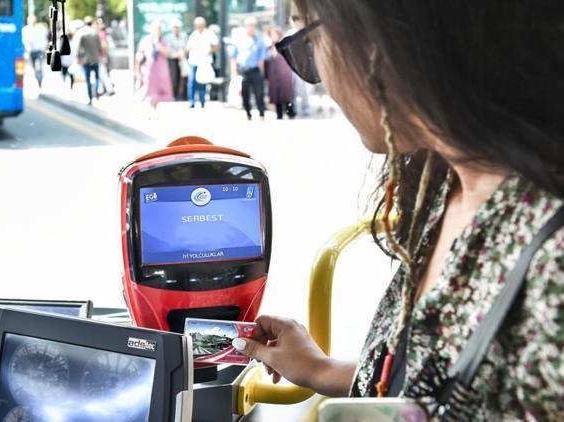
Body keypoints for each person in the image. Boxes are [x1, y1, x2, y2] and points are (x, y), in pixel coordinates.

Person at [231, 0, 564, 419]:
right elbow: (445, 388)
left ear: (380, 38)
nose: (320, 81)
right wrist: (323, 370)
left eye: (310, 41)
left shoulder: (553, 259)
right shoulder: (445, 183)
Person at [231, 17, 267, 120]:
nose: (251, 28)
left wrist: (261, 72)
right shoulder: (240, 40)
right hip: (243, 71)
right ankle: (248, 113)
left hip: (255, 70)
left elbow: (261, 58)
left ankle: (261, 113)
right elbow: (233, 56)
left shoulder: (259, 41)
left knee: (259, 93)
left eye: (253, 26)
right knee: (245, 94)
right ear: (246, 27)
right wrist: (234, 71)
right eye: (249, 26)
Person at [135, 21, 174, 113]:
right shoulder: (145, 40)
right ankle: (150, 110)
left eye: (159, 29)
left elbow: (167, 52)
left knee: (159, 92)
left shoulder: (164, 41)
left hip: (161, 71)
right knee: (149, 91)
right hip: (148, 70)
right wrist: (137, 71)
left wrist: (157, 44)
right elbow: (139, 55)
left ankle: (154, 109)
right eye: (155, 29)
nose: (157, 31)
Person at [185, 16, 219, 108]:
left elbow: (216, 46)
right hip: (194, 61)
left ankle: (202, 101)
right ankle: (192, 101)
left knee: (202, 81)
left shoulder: (210, 34)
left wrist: (209, 51)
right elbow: (188, 48)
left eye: (201, 25)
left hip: (204, 62)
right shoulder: (193, 35)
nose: (199, 26)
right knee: (192, 81)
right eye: (197, 25)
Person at [265, 27, 295, 119]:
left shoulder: (285, 45)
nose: (274, 36)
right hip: (273, 74)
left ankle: (290, 112)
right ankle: (279, 114)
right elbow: (266, 62)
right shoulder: (269, 48)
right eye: (272, 34)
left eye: (275, 34)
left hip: (285, 74)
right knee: (276, 94)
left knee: (286, 93)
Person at [75, 16, 103, 105]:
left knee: (88, 79)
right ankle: (97, 93)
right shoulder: (95, 33)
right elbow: (99, 47)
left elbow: (79, 48)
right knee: (97, 77)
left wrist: (78, 58)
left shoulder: (82, 33)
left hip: (86, 59)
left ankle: (90, 97)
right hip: (95, 58)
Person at [21, 15, 49, 87]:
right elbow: (24, 41)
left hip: (39, 51)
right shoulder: (25, 30)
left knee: (39, 67)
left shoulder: (40, 29)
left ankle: (40, 80)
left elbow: (44, 39)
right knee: (33, 67)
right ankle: (37, 77)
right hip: (30, 52)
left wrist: (44, 48)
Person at [165, 19, 188, 100]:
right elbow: (168, 49)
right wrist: (176, 54)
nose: (176, 29)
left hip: (182, 59)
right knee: (174, 78)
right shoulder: (168, 37)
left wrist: (181, 53)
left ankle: (183, 96)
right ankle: (173, 96)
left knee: (184, 78)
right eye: (174, 27)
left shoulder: (184, 36)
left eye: (177, 27)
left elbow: (186, 47)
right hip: (173, 60)